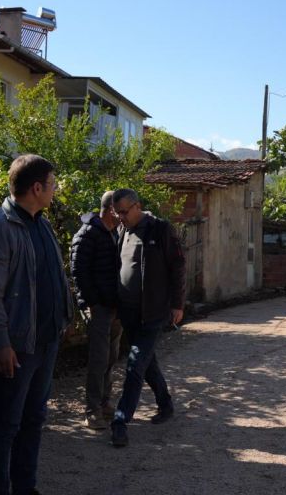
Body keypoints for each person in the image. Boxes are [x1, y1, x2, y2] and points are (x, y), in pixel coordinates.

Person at [0, 154, 74, 495]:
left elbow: (55, 278)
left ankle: (24, 487)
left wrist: (65, 317)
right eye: (52, 184)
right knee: (5, 426)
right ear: (36, 187)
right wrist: (0, 344)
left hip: (45, 342)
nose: (55, 190)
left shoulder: (42, 223)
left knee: (33, 421)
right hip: (16, 348)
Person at [109, 188, 185, 448]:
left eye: (124, 212)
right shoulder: (123, 231)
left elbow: (177, 266)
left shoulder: (160, 229)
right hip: (129, 312)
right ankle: (165, 404)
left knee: (134, 365)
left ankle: (120, 422)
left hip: (153, 313)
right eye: (117, 212)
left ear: (137, 206)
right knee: (146, 361)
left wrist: (177, 303)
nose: (120, 217)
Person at [70, 191, 122, 429]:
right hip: (99, 307)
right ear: (110, 209)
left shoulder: (114, 233)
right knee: (99, 360)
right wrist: (90, 304)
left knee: (111, 358)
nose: (122, 214)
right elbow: (78, 272)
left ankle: (104, 403)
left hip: (114, 307)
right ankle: (92, 410)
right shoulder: (88, 234)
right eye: (119, 209)